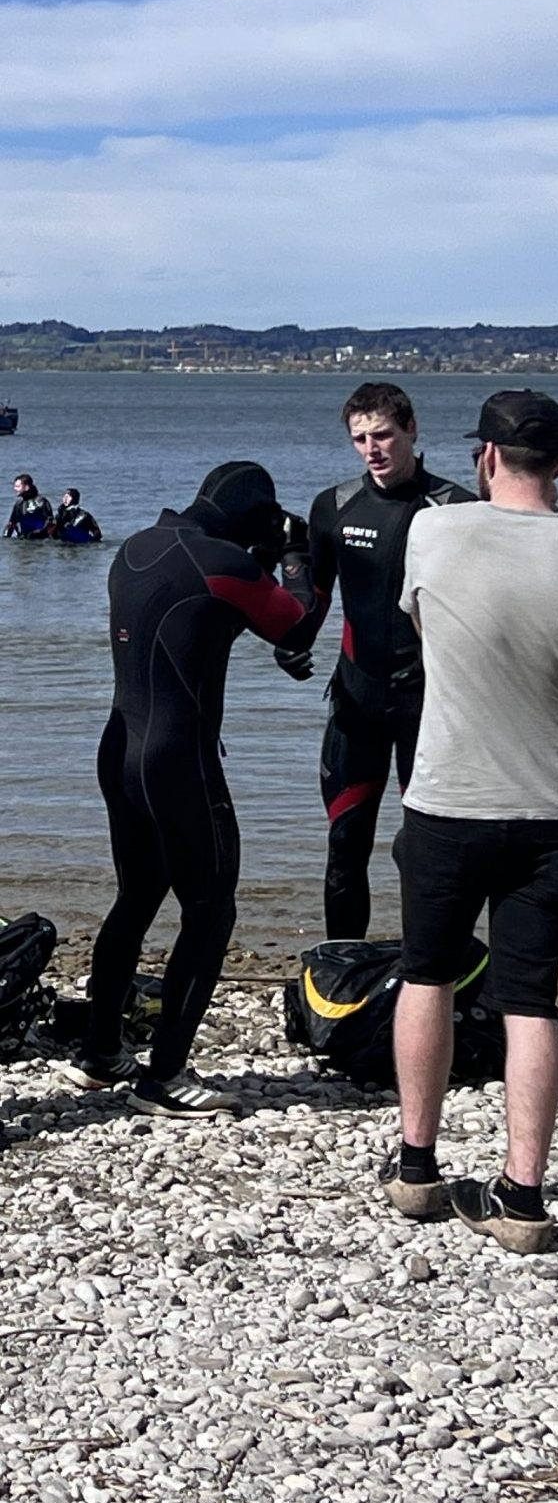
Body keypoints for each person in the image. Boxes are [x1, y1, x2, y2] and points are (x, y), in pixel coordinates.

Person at [381, 390, 558, 1253]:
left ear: (486, 457)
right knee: (532, 999)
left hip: (448, 800)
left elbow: (420, 624)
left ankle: (417, 1166)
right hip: (554, 810)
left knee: (427, 976)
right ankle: (523, 1194)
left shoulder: (431, 531)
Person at [64, 462, 325, 1117]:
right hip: (180, 761)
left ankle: (100, 1052)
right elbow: (295, 622)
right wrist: (296, 554)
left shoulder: (137, 547)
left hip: (120, 748)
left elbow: (196, 622)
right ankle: (165, 1077)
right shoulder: (222, 563)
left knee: (136, 896)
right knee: (211, 910)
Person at [282, 382, 473, 939]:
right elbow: (314, 595)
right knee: (346, 843)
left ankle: (429, 968)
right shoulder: (334, 506)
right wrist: (290, 638)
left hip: (429, 706)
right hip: (357, 701)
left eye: (383, 435)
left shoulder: (459, 509)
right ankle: (341, 964)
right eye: (360, 439)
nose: (372, 449)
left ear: (412, 429)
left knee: (425, 849)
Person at [3, 474, 53, 539]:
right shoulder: (19, 504)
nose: (15, 489)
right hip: (24, 539)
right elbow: (11, 524)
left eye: (17, 486)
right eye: (15, 486)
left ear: (26, 487)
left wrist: (41, 535)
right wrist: (5, 539)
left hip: (41, 540)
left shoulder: (42, 501)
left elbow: (51, 523)